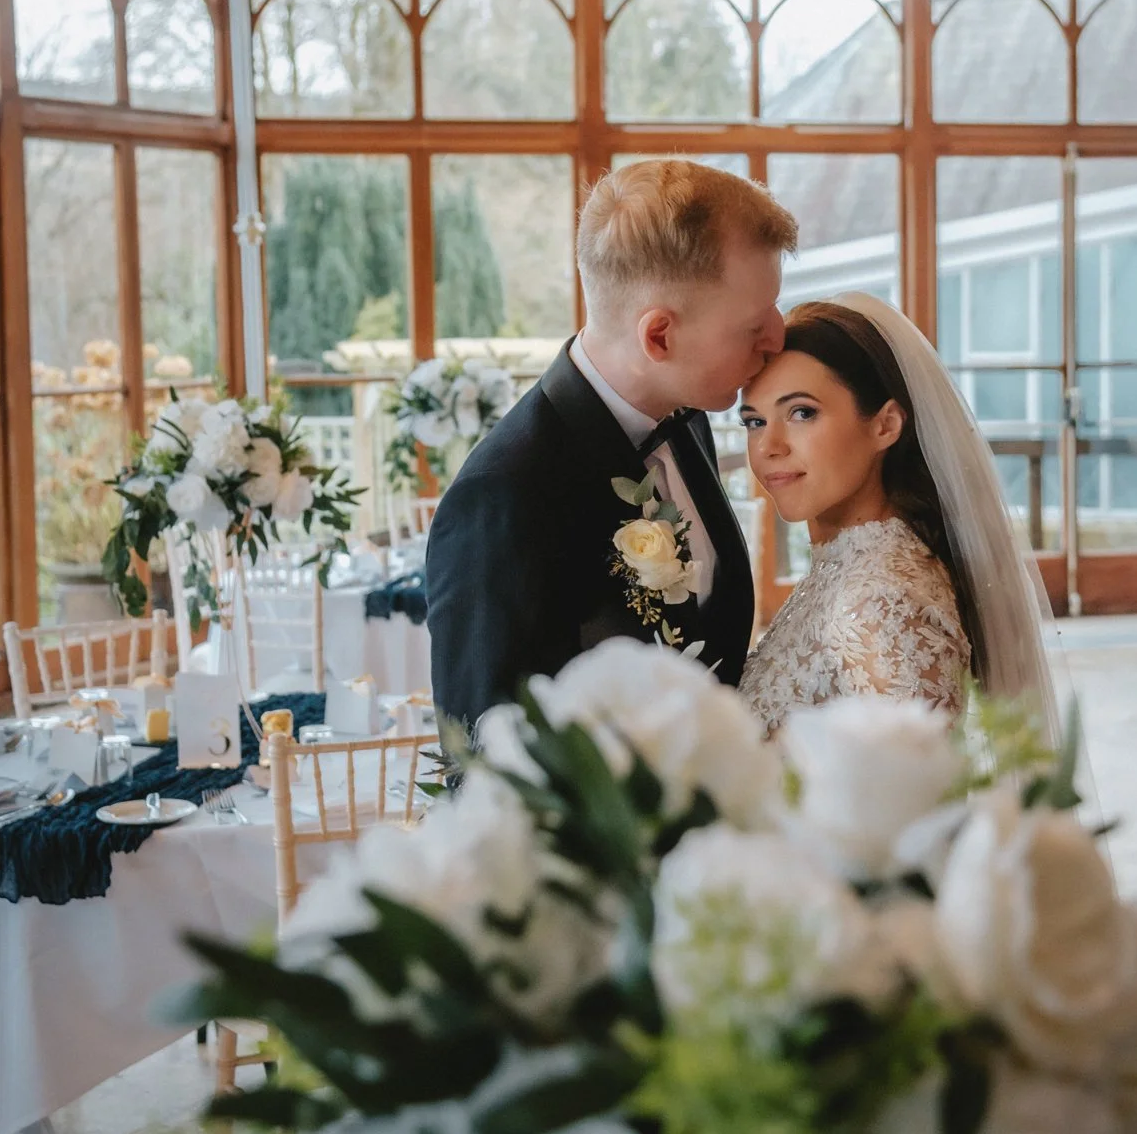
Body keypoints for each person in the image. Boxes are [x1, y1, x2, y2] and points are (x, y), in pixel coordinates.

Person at [426, 159, 797, 732]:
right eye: (753, 325)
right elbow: (484, 762)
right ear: (659, 336)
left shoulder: (688, 415)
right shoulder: (503, 499)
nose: (778, 335)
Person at [738, 293, 1057, 740]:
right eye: (753, 421)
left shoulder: (879, 603)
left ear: (885, 425)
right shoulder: (849, 567)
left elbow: (915, 800)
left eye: (801, 413)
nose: (769, 446)